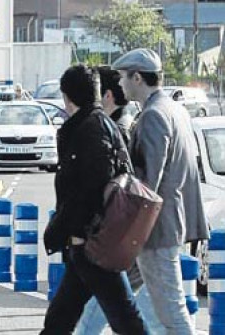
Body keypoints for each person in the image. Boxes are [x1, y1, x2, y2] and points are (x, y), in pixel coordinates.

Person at [40, 64, 145, 334]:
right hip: (89, 244)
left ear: (67, 97)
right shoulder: (99, 124)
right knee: (58, 321)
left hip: (93, 243)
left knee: (126, 321)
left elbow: (88, 191)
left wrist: (63, 230)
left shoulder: (90, 130)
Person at [112, 48, 208, 335]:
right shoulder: (174, 110)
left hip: (153, 230)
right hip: (165, 224)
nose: (119, 85)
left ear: (138, 78)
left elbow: (146, 185)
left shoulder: (153, 115)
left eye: (122, 78)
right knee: (114, 296)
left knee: (172, 314)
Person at [73, 66, 161, 335]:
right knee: (120, 308)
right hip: (127, 232)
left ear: (107, 96)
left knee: (119, 310)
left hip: (121, 232)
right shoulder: (120, 125)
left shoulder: (116, 129)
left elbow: (127, 186)